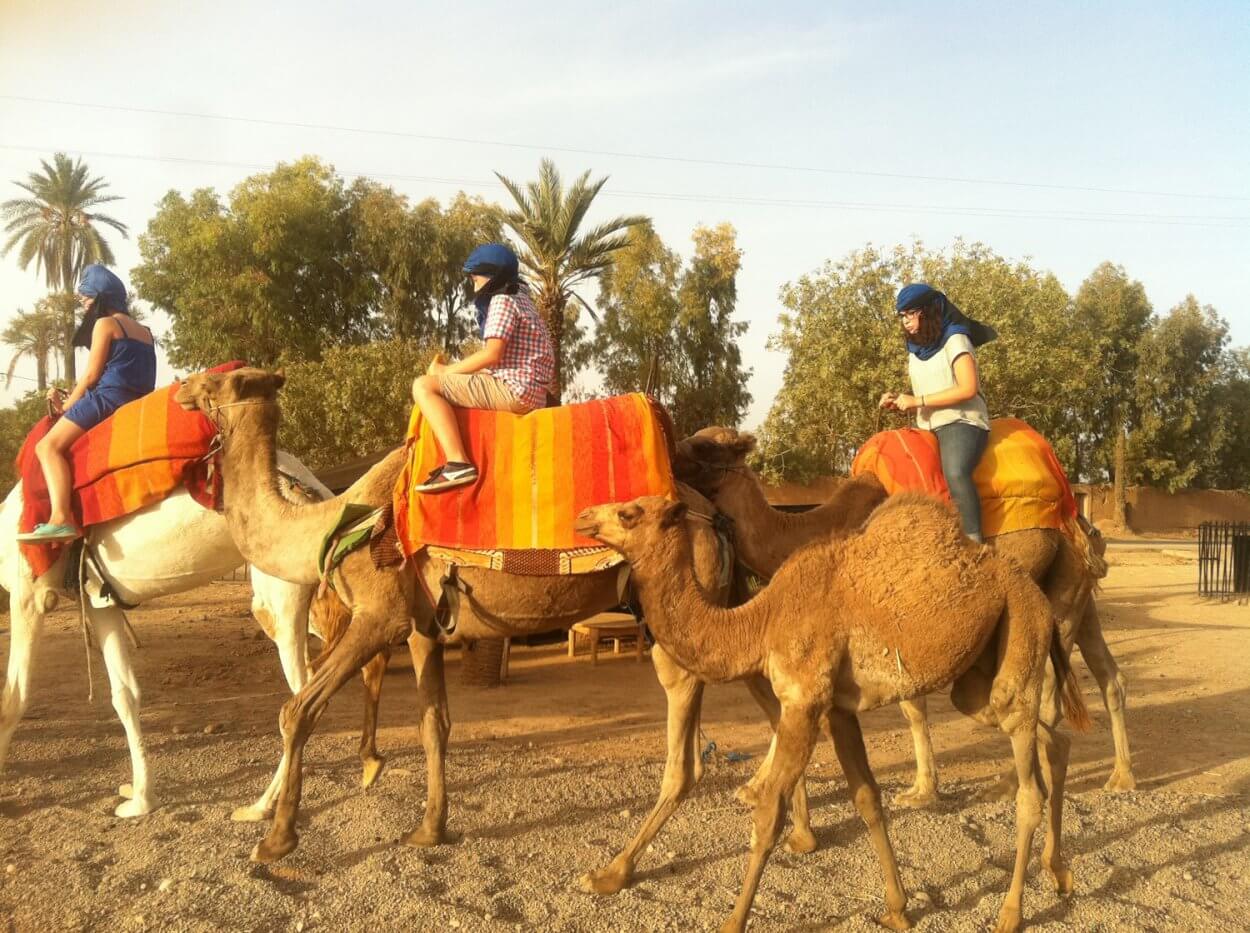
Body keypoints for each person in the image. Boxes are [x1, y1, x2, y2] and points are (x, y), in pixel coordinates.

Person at [18, 265, 157, 542]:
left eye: (86, 299)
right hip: (137, 403)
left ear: (100, 298)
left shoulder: (105, 324)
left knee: (47, 446)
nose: (84, 305)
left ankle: (60, 518)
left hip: (106, 400)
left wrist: (68, 404)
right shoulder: (146, 332)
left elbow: (92, 375)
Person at [410, 243, 555, 492]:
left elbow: (492, 354)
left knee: (423, 386)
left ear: (491, 276)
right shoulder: (523, 299)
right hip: (529, 389)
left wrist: (445, 372)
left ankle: (457, 462)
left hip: (514, 390)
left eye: (474, 278)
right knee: (461, 377)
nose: (473, 285)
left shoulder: (501, 300)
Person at [879, 283, 996, 543]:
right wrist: (899, 401)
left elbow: (968, 388)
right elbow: (924, 395)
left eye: (911, 313)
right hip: (927, 426)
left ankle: (975, 544)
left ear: (929, 311)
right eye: (903, 316)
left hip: (961, 422)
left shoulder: (956, 339)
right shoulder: (915, 350)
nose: (906, 321)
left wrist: (917, 400)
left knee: (955, 472)